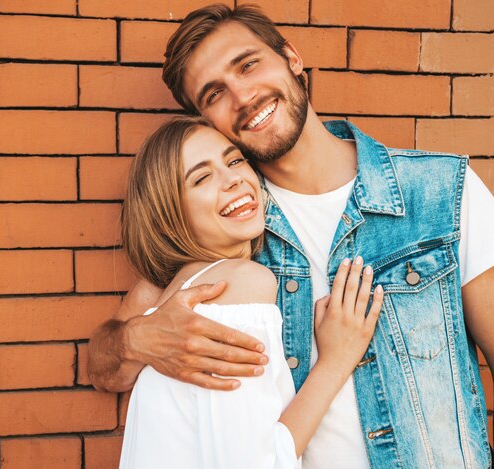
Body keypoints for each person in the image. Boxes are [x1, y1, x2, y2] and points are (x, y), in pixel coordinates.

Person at [88, 4, 494, 468]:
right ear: (207, 122)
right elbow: (106, 365)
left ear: (291, 57)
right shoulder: (223, 231)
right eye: (214, 94)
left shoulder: (440, 192)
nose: (243, 96)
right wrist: (139, 339)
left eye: (248, 64)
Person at [118, 116, 383, 467]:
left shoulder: (174, 295)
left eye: (234, 160)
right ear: (169, 215)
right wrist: (336, 361)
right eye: (201, 177)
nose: (233, 180)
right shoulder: (238, 284)